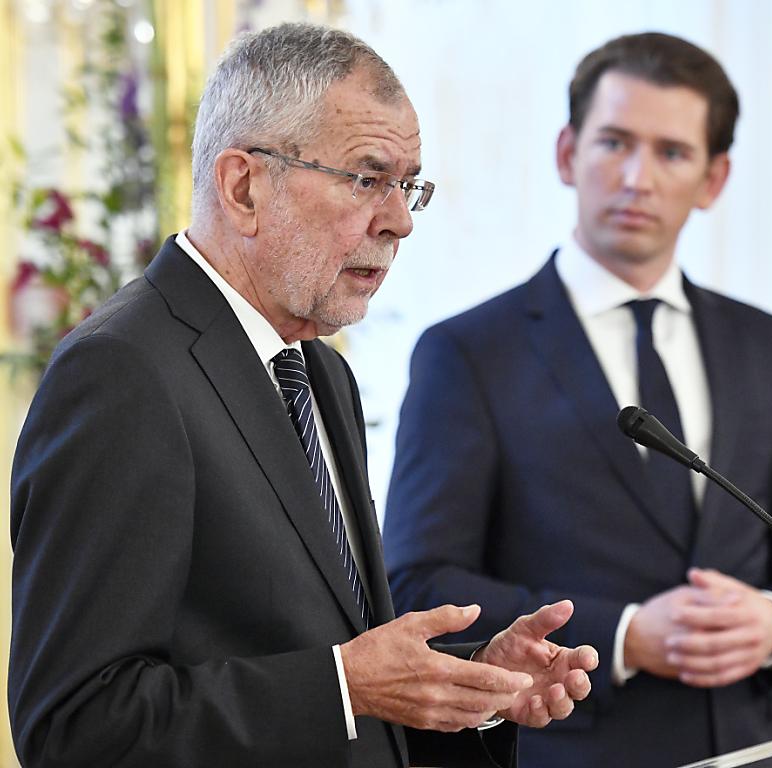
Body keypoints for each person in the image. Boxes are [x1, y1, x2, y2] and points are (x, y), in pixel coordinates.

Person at [8, 23, 598, 768]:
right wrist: (346, 686)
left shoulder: (321, 372)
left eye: (409, 185)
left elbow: (327, 658)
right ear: (243, 187)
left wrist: (468, 686)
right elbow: (74, 728)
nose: (400, 220)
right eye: (367, 179)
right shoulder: (122, 374)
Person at [383, 32, 772, 768]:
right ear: (567, 154)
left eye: (672, 153)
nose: (638, 178)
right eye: (614, 143)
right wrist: (624, 634)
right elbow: (419, 582)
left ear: (714, 179)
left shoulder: (768, 345)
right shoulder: (469, 352)